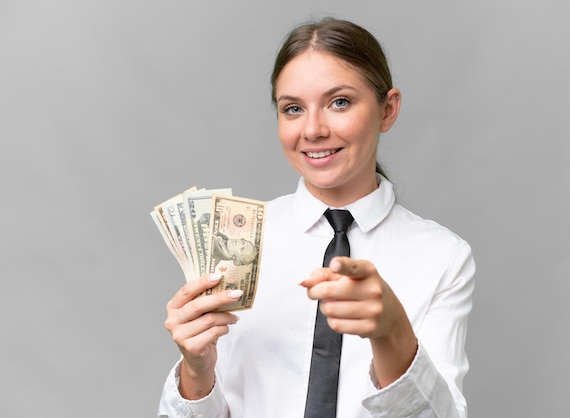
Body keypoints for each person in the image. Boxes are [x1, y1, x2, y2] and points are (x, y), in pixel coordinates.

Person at [158, 17, 475, 418]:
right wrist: (196, 369)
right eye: (292, 109)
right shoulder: (239, 240)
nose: (312, 129)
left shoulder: (443, 257)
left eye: (339, 102)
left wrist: (391, 333)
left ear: (388, 110)